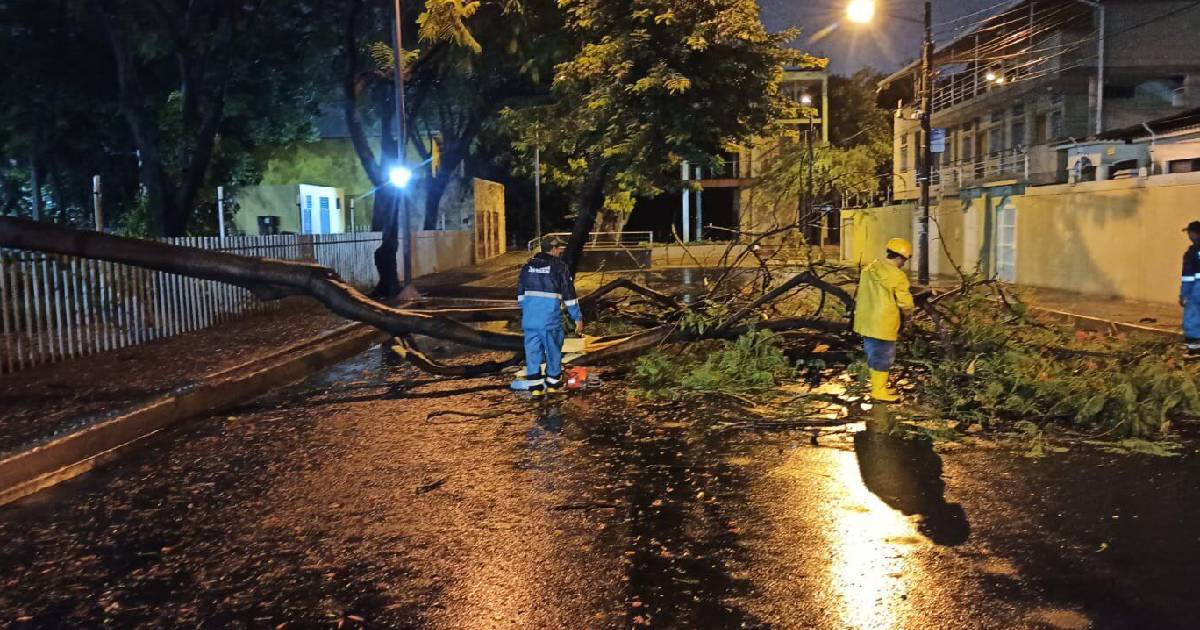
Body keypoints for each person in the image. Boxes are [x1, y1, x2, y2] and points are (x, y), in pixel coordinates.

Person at [517, 236, 584, 397]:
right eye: (559, 248)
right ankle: (552, 385)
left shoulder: (527, 266)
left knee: (532, 353)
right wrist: (577, 317)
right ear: (553, 249)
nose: (560, 251)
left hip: (530, 320)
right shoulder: (559, 267)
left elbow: (520, 296)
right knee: (553, 351)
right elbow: (569, 295)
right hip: (549, 320)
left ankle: (535, 389)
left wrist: (529, 312)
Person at [853, 237, 915, 402]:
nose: (904, 263)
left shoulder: (870, 268)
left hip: (865, 321)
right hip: (883, 323)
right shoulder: (897, 275)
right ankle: (879, 391)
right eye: (905, 260)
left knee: (873, 354)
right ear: (901, 257)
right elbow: (905, 303)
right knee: (883, 356)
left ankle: (877, 387)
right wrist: (909, 315)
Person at [1181, 221, 1200, 354]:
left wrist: (1184, 295)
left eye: (1189, 233)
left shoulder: (1192, 252)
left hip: (1196, 289)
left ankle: (1193, 349)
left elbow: (1188, 277)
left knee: (1192, 316)